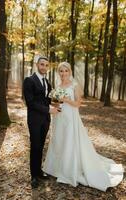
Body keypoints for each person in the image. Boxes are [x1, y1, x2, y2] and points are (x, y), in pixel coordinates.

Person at [43, 61, 124, 192]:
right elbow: (58, 103)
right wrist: (56, 103)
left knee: (70, 141)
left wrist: (65, 99)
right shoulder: (58, 85)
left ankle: (69, 170)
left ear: (70, 72)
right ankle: (57, 168)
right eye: (61, 71)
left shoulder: (74, 85)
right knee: (59, 140)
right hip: (59, 117)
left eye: (66, 71)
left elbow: (77, 104)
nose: (64, 73)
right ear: (59, 72)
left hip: (71, 117)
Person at [23, 56, 59, 189]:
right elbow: (30, 103)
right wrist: (49, 110)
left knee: (41, 146)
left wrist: (57, 105)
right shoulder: (29, 80)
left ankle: (39, 171)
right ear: (37, 65)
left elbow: (47, 100)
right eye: (42, 64)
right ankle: (33, 176)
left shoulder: (47, 82)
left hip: (45, 120)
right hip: (34, 119)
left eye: (46, 65)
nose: (44, 67)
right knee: (35, 146)